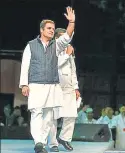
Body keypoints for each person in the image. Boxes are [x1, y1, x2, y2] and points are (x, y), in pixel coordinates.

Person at [19, 7, 75, 153]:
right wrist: (24, 84)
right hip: (36, 84)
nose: (52, 30)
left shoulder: (56, 45)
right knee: (37, 112)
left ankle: (42, 143)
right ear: (42, 30)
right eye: (49, 28)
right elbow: (25, 65)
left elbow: (67, 36)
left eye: (53, 28)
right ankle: (38, 142)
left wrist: (71, 22)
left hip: (52, 85)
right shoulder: (31, 45)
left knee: (49, 116)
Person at [47, 28, 80, 152]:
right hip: (55, 87)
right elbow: (54, 65)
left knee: (71, 115)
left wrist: (75, 87)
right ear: (56, 38)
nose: (66, 39)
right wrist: (66, 54)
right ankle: (53, 144)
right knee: (53, 117)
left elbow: (73, 70)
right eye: (62, 36)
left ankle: (64, 138)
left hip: (68, 88)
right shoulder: (51, 48)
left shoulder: (69, 48)